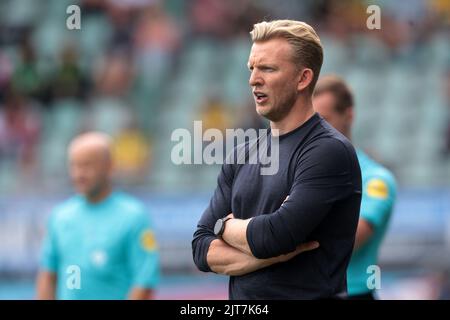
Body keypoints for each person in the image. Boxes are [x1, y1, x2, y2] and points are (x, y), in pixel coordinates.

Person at [192, 20, 362, 299]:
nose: (253, 79)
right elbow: (200, 249)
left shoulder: (328, 152)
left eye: (267, 69)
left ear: (303, 79)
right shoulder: (241, 154)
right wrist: (267, 255)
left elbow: (274, 236)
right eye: (252, 68)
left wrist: (224, 226)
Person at [36, 132, 160, 300]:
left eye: (87, 166)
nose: (79, 174)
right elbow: (48, 274)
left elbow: (144, 281)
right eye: (74, 166)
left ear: (109, 166)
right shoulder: (59, 216)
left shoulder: (134, 216)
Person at [313, 75, 397, 300]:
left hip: (356, 292)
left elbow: (349, 241)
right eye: (310, 121)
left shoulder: (376, 180)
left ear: (348, 115)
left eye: (324, 119)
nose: (315, 129)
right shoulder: (298, 174)